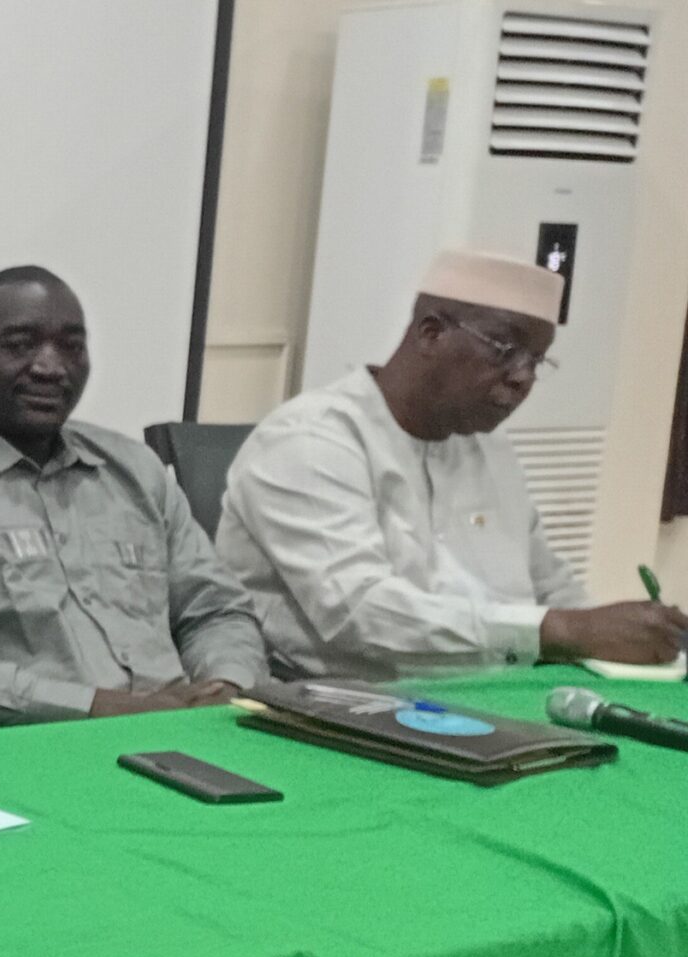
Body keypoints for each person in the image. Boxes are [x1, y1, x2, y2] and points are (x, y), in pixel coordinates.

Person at [215, 248, 688, 679]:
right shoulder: (312, 441)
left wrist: (631, 633)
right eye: (506, 350)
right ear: (431, 332)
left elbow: (547, 584)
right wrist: (560, 631)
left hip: (492, 693)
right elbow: (361, 613)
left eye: (537, 360)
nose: (523, 378)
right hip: (341, 705)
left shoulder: (489, 449)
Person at [0, 266, 265, 728]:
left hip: (188, 732)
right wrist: (93, 706)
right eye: (20, 345)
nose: (51, 367)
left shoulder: (135, 470)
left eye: (71, 347)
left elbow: (217, 611)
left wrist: (225, 688)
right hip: (25, 743)